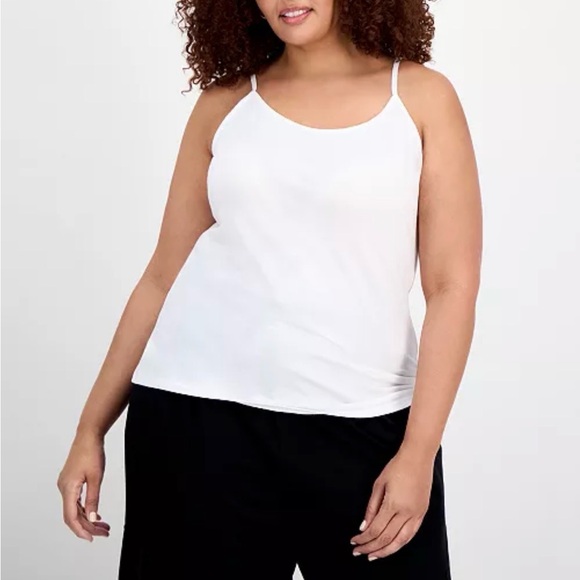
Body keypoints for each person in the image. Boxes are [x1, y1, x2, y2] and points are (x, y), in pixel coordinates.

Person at [57, 0, 482, 578]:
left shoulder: (421, 98)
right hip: (199, 420)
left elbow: (452, 286)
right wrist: (90, 429)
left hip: (364, 423)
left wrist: (419, 452)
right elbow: (162, 275)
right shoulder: (226, 102)